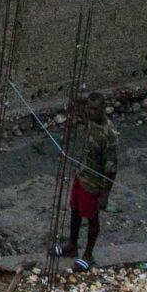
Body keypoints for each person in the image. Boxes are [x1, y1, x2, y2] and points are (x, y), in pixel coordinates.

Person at [51, 95, 116, 270]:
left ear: (103, 109)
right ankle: (72, 245)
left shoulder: (109, 134)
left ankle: (88, 254)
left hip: (94, 182)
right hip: (82, 174)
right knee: (75, 210)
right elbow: (78, 106)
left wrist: (105, 196)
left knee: (92, 217)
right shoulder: (90, 120)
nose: (91, 112)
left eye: (95, 109)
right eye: (90, 108)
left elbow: (111, 168)